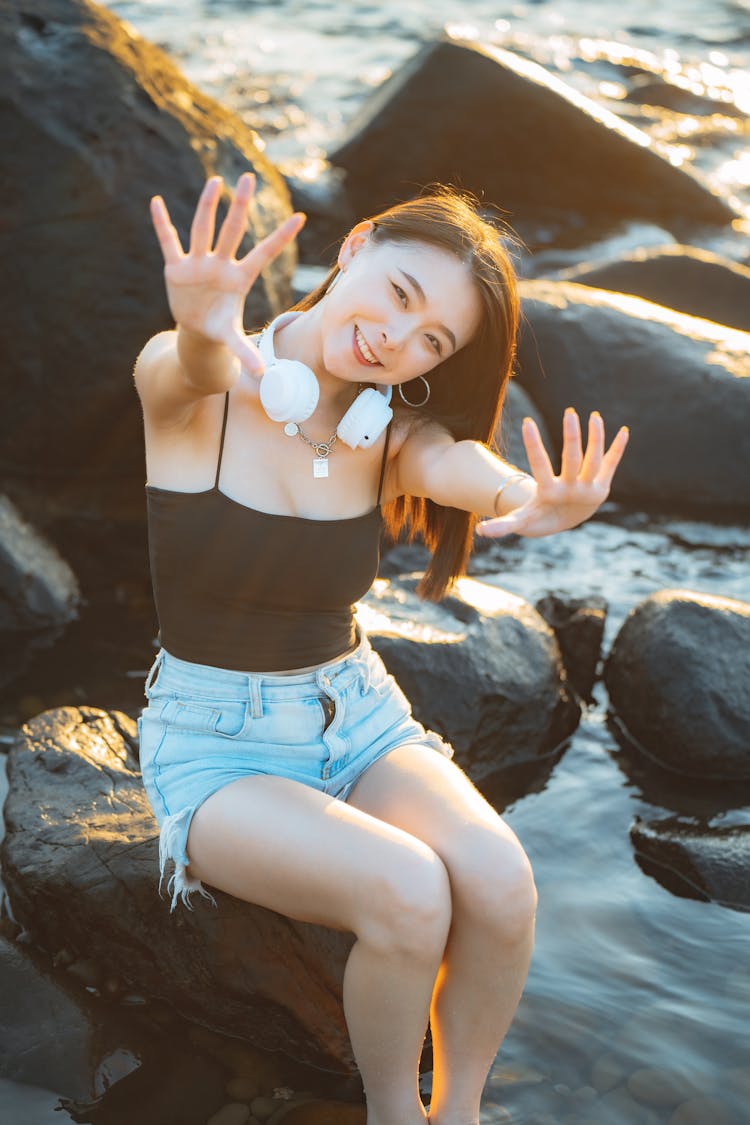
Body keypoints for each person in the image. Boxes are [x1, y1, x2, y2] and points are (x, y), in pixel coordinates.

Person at [134, 171, 629, 1125]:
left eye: (430, 341)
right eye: (400, 296)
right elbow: (181, 368)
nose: (394, 341)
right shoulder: (205, 389)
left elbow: (454, 464)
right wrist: (202, 323)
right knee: (409, 893)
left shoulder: (384, 422)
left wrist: (524, 500)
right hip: (215, 742)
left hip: (355, 712)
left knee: (502, 883)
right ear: (354, 246)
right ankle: (395, 1117)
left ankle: (464, 1112)